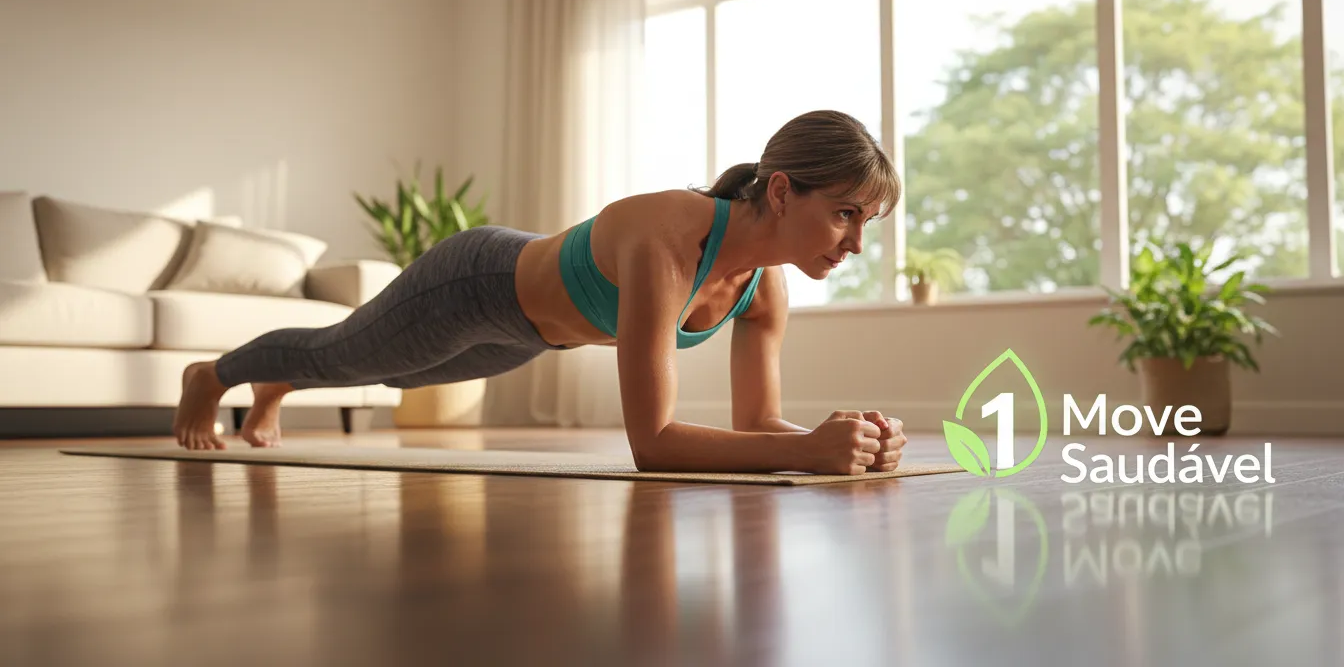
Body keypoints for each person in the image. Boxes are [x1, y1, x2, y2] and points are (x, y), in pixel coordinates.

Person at [172, 109, 908, 475]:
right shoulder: (668, 239)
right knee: (346, 355)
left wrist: (844, 443)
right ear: (782, 191)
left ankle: (275, 387)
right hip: (475, 284)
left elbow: (760, 421)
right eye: (846, 213)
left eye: (865, 222)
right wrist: (808, 453)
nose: (855, 242)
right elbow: (653, 446)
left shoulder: (763, 291)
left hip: (529, 335)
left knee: (388, 372)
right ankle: (214, 376)